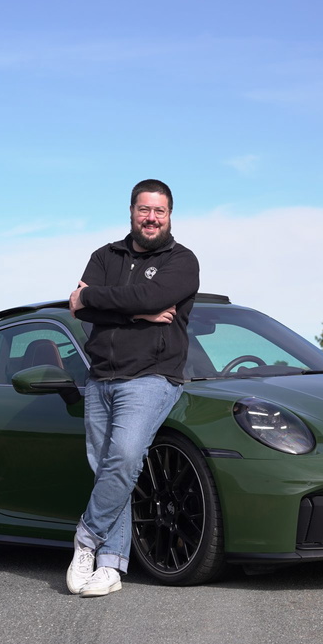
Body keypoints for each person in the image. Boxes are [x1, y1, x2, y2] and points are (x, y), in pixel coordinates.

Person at [66, 179, 200, 596]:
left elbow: (142, 297)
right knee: (108, 471)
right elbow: (78, 306)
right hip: (100, 378)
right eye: (145, 210)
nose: (151, 218)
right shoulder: (104, 256)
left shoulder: (182, 261)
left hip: (150, 377)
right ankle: (110, 566)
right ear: (131, 212)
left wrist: (103, 300)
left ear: (170, 215)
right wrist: (138, 314)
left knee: (123, 459)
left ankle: (86, 538)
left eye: (159, 211)